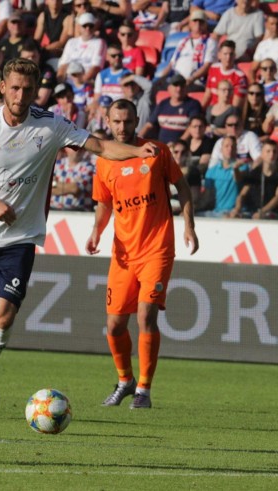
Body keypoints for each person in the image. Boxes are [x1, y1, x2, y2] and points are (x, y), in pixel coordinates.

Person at [0, 58, 158, 416]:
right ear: (3, 88)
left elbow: (100, 147)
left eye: (27, 89)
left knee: (4, 318)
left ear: (36, 90)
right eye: (14, 88)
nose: (20, 96)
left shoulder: (51, 125)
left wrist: (135, 151)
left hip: (20, 239)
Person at [87, 98, 198, 410]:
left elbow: (183, 188)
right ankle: (125, 381)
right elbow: (104, 203)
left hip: (157, 248)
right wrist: (96, 230)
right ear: (108, 122)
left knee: (146, 315)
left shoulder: (157, 151)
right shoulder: (104, 160)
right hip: (123, 252)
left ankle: (144, 391)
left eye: (128, 121)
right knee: (114, 326)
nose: (123, 127)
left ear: (137, 121)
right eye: (117, 122)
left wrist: (189, 226)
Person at [229, 140, 278, 219]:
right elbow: (242, 194)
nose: (272, 154)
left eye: (274, 152)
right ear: (262, 154)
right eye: (268, 151)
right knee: (231, 217)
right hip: (253, 212)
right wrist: (237, 209)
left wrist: (262, 211)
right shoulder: (255, 173)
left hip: (273, 213)